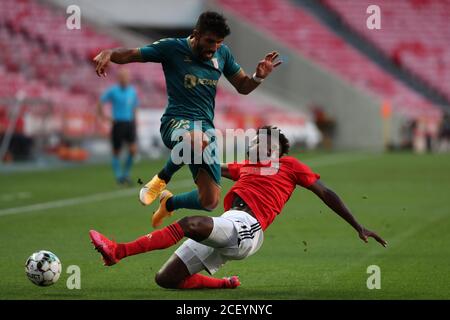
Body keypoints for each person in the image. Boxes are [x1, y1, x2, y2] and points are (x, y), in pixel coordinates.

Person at [89, 125, 387, 290]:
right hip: (230, 224)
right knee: (166, 279)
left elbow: (326, 192)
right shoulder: (245, 166)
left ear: (276, 150)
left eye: (261, 141)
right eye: (254, 140)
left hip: (249, 228)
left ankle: (118, 252)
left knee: (191, 223)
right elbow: (210, 168)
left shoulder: (288, 165)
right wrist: (190, 152)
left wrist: (357, 225)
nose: (254, 144)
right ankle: (223, 285)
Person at [93, 11, 282, 226]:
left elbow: (243, 87)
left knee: (209, 201)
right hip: (176, 122)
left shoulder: (223, 54)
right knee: (194, 138)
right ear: (196, 34)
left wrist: (258, 77)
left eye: (219, 42)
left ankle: (169, 203)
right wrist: (109, 52)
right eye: (210, 41)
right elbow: (130, 54)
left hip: (205, 131)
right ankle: (161, 179)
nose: (214, 47)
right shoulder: (172, 48)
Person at [97, 68, 139, 185]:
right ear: (119, 78)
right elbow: (100, 102)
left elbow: (135, 107)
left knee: (133, 150)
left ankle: (126, 174)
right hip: (118, 124)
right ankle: (119, 176)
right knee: (116, 152)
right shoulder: (113, 91)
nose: (125, 78)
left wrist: (135, 122)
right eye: (123, 76)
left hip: (129, 123)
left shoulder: (132, 91)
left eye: (127, 76)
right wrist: (105, 117)